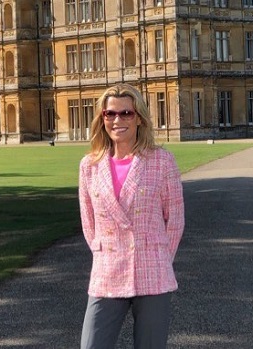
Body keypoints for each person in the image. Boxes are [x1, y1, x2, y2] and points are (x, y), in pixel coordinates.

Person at [78, 83, 185, 349]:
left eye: (126, 113)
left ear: (139, 117)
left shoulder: (161, 161)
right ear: (102, 119)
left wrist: (157, 255)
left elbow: (176, 220)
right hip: (108, 270)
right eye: (110, 114)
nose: (117, 120)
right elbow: (88, 222)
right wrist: (107, 252)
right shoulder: (89, 166)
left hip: (152, 270)